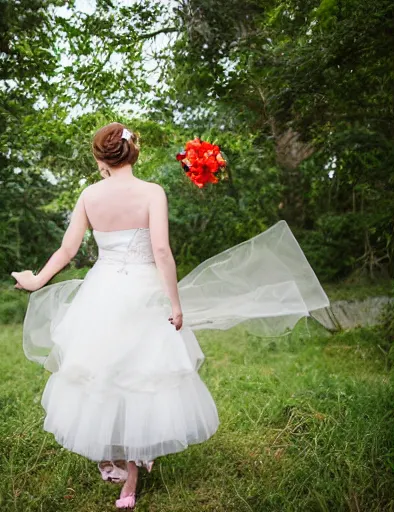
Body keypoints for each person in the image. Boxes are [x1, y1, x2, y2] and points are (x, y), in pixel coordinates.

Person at [11, 122, 329, 509]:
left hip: (102, 293)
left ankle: (113, 456)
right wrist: (175, 305)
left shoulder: (89, 196)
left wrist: (35, 280)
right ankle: (129, 481)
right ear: (134, 153)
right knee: (141, 373)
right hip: (144, 292)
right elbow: (161, 252)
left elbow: (67, 250)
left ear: (100, 157)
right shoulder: (151, 192)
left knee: (105, 371)